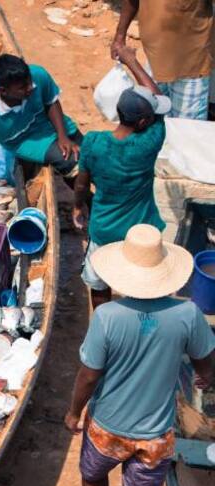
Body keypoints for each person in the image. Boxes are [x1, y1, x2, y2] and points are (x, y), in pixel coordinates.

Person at [64, 225, 215, 486]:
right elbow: (207, 365)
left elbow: (88, 376)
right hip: (155, 434)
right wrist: (204, 377)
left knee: (93, 475)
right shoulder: (188, 314)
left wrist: (74, 412)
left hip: (107, 426)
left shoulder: (107, 317)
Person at [73, 47, 172, 309]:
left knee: (98, 282)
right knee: (141, 284)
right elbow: (159, 99)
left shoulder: (93, 142)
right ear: (143, 123)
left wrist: (78, 206)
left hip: (104, 229)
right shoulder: (149, 142)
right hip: (141, 231)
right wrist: (131, 61)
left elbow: (81, 183)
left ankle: (103, 320)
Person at [0, 55, 83, 222]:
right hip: (24, 140)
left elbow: (51, 102)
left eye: (29, 82)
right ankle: (88, 202)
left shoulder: (38, 75)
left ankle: (90, 195)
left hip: (45, 120)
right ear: (4, 91)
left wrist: (62, 136)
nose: (30, 87)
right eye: (22, 87)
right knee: (68, 160)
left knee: (88, 153)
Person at [112, 0, 212, 121]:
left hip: (191, 67)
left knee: (185, 128)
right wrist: (119, 36)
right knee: (153, 119)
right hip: (154, 59)